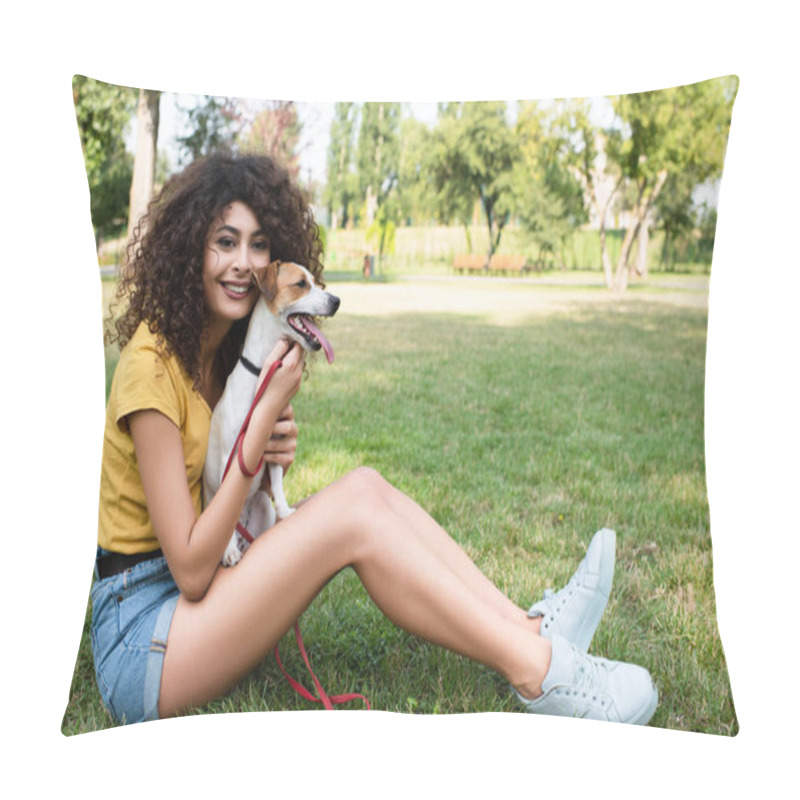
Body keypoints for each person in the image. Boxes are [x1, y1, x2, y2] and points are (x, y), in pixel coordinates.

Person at [91, 152, 658, 726]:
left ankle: (532, 628)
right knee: (353, 516)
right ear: (190, 248)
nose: (243, 263)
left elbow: (217, 494)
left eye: (258, 245)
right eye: (224, 242)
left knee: (365, 487)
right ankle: (543, 674)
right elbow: (189, 568)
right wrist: (258, 426)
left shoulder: (218, 354)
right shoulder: (151, 367)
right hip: (144, 636)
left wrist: (261, 453)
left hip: (198, 595)